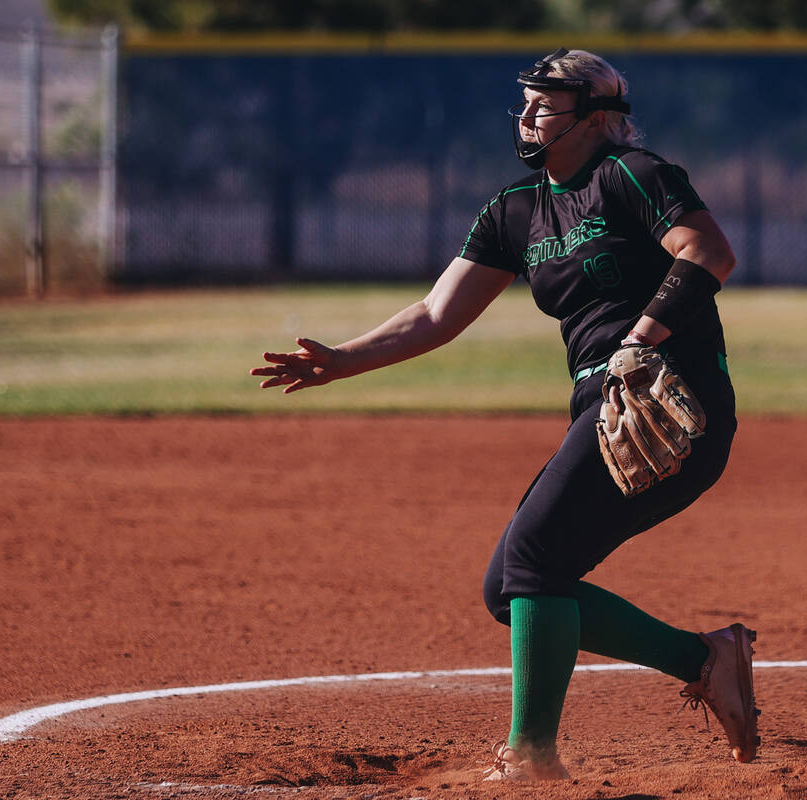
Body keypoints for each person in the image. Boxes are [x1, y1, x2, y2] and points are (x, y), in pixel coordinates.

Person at [251, 47, 758, 781]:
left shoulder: (633, 174)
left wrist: (640, 341)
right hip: (603, 404)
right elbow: (434, 313)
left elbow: (709, 253)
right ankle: (703, 659)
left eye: (544, 103)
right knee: (509, 589)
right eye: (523, 101)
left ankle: (532, 758)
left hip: (669, 394)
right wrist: (342, 360)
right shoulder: (515, 210)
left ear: (595, 117)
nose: (526, 115)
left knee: (535, 563)